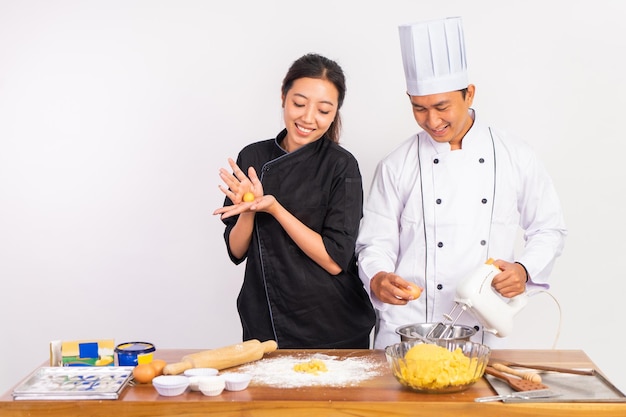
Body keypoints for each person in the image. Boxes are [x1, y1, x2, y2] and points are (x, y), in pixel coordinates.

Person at [355, 17, 567, 349]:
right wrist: (378, 277)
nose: (432, 120)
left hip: (483, 331)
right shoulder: (397, 164)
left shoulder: (515, 155)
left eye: (442, 107)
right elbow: (375, 243)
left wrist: (524, 270)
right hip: (407, 329)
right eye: (419, 108)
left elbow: (549, 229)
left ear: (468, 94)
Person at [213, 53, 375, 349]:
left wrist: (274, 208)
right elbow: (236, 251)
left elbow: (335, 261)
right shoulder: (252, 157)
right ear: (283, 97)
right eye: (299, 104)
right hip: (264, 322)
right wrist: (249, 211)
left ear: (335, 112)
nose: (308, 118)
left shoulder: (342, 165)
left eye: (324, 111)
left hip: (333, 324)